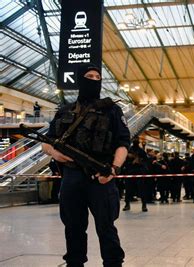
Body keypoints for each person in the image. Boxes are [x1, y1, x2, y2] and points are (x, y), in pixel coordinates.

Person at [42, 63, 130, 266]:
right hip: (72, 177)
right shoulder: (65, 110)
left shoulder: (112, 110)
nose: (94, 79)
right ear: (80, 80)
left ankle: (113, 262)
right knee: (73, 226)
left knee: (106, 226)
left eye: (97, 76)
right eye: (89, 76)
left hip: (101, 175)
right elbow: (47, 143)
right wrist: (58, 155)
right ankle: (74, 262)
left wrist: (114, 169)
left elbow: (123, 144)